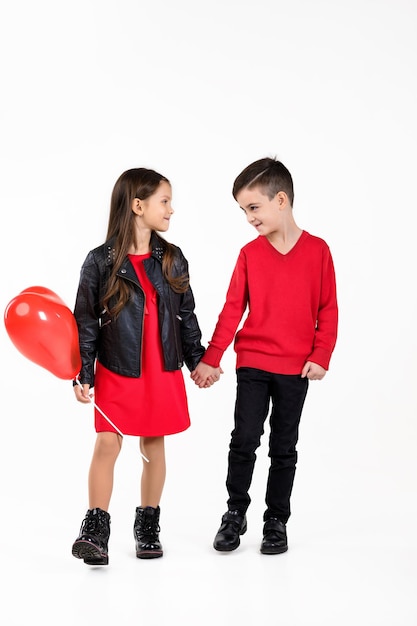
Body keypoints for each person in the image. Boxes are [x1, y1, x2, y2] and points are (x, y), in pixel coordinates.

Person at [71, 167, 221, 566]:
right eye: (164, 201)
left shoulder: (172, 258)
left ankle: (148, 525)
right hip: (118, 367)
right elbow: (84, 323)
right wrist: (83, 373)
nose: (172, 209)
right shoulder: (99, 262)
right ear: (138, 206)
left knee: (153, 445)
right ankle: (95, 529)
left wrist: (198, 361)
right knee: (107, 442)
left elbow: (186, 316)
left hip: (161, 368)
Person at [191, 157, 338, 555]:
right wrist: (212, 357)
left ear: (281, 200)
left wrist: (321, 353)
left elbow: (328, 308)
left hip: (296, 368)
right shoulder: (249, 254)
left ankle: (276, 521)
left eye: (253, 208)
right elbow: (231, 309)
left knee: (284, 447)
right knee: (244, 439)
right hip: (253, 362)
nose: (248, 218)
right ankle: (234, 513)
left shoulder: (319, 251)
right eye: (243, 210)